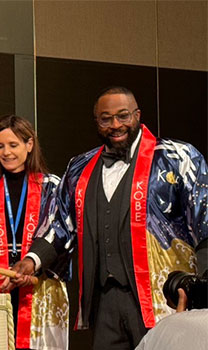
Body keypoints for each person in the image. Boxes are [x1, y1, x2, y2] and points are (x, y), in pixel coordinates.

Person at [10, 86, 208, 349]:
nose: (115, 125)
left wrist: (201, 289)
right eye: (106, 119)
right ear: (97, 122)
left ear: (138, 115)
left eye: (123, 116)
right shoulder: (79, 167)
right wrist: (31, 261)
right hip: (105, 301)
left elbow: (205, 221)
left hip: (163, 301)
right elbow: (60, 225)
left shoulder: (177, 158)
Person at [0, 115, 69, 350]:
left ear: (29, 144)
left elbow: (60, 237)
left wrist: (33, 265)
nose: (6, 152)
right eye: (0, 146)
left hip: (39, 284)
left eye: (13, 145)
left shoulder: (52, 187)